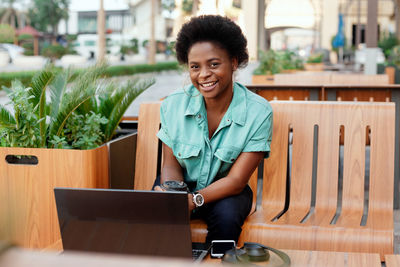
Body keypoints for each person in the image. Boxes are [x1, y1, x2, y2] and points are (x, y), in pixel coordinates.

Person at [154, 15, 273, 244]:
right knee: (158, 217)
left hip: (228, 192)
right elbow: (170, 164)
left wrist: (194, 200)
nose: (204, 74)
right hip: (182, 186)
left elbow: (237, 180)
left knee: (227, 221)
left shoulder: (259, 112)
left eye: (214, 64)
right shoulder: (173, 105)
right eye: (195, 67)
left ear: (234, 62)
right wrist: (174, 192)